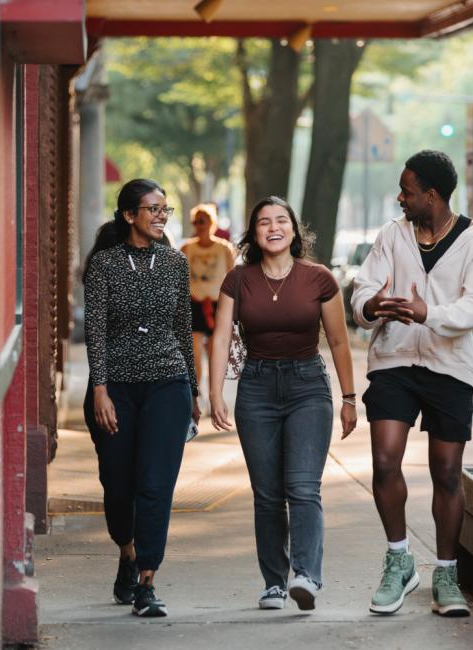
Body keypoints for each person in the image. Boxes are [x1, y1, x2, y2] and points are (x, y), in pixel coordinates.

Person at [350, 150, 473, 617]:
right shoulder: (391, 236)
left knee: (447, 473)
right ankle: (399, 560)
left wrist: (427, 313)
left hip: (449, 366)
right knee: (383, 459)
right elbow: (360, 290)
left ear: (431, 195)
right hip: (394, 359)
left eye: (407, 191)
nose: (400, 198)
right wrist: (373, 306)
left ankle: (447, 571)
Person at [209, 196, 357, 612]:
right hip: (255, 388)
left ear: (294, 229)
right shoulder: (238, 280)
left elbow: (339, 341)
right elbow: (221, 337)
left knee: (303, 487)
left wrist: (348, 397)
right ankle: (275, 582)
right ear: (254, 233)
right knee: (268, 494)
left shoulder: (319, 278)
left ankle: (306, 576)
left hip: (308, 386)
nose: (273, 228)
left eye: (281, 221)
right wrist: (215, 391)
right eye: (263, 223)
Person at [83, 178, 200, 618]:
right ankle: (127, 552)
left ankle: (148, 580)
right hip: (116, 387)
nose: (160, 217)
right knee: (118, 486)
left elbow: (181, 329)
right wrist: (100, 389)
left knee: (155, 486)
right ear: (129, 215)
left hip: (167, 382)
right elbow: (95, 329)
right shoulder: (105, 265)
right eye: (152, 209)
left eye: (164, 210)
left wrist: (192, 389)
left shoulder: (175, 262)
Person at [180, 203, 236, 387]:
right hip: (193, 304)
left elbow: (233, 278)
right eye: (196, 222)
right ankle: (198, 391)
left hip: (216, 305)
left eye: (203, 221)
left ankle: (214, 392)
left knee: (215, 351)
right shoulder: (187, 249)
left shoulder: (224, 249)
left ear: (212, 223)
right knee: (195, 351)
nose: (199, 225)